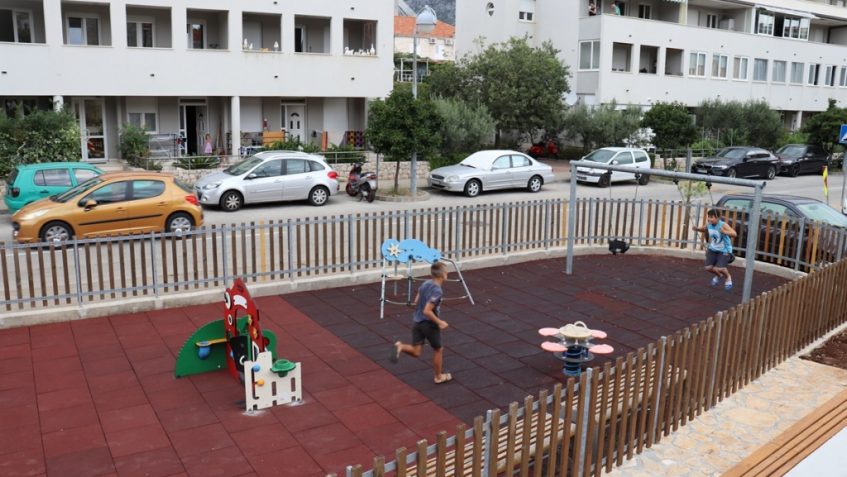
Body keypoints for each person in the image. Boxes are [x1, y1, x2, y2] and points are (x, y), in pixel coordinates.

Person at [390, 262, 452, 384]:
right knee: (438, 349)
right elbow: (427, 311)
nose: (447, 274)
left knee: (416, 352)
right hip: (429, 324)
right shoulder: (437, 291)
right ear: (442, 275)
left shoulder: (426, 283)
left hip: (417, 322)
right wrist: (439, 322)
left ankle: (400, 346)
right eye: (446, 272)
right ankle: (438, 377)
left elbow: (416, 300)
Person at [692, 209, 738, 290]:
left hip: (724, 250)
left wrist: (725, 232)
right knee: (708, 268)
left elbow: (734, 234)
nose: (709, 219)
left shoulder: (723, 225)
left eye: (711, 217)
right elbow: (704, 229)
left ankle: (728, 277)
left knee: (720, 268)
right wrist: (697, 229)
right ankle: (719, 275)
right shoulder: (709, 224)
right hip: (713, 248)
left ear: (718, 218)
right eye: (708, 217)